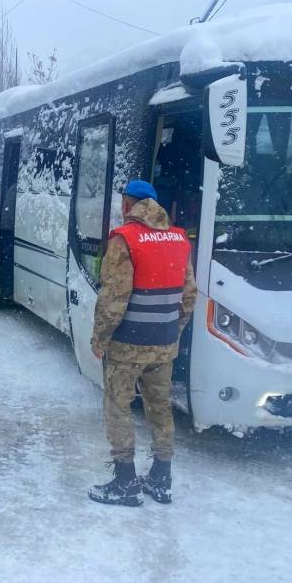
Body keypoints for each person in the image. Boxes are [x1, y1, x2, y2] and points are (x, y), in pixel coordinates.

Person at [88, 179, 197, 507]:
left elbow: (114, 297)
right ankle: (161, 479)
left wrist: (100, 337)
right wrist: (173, 329)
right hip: (163, 344)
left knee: (118, 406)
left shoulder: (125, 239)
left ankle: (125, 482)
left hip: (128, 345)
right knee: (159, 407)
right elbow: (189, 295)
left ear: (128, 204)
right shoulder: (179, 239)